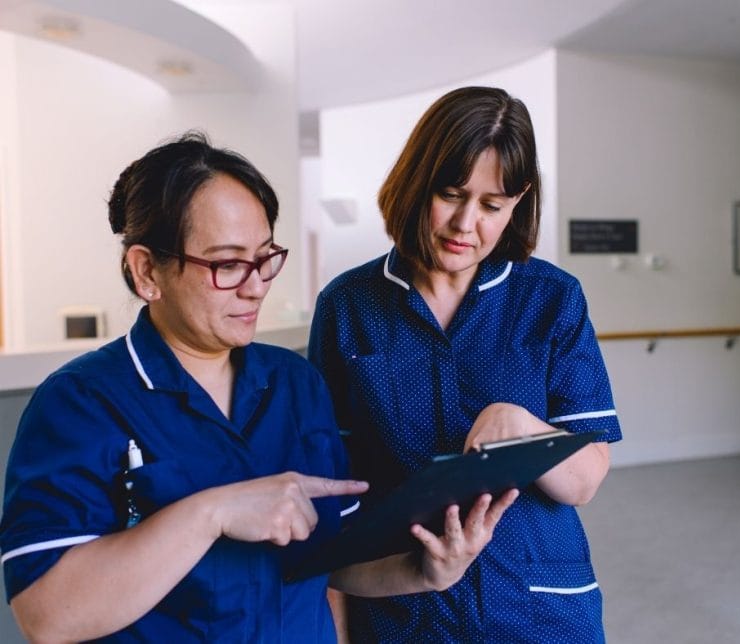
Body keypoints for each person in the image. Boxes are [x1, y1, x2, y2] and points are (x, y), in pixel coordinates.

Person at [0, 131, 518, 642]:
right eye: (227, 264)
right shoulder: (80, 402)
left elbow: (333, 564)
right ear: (146, 271)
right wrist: (211, 513)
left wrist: (425, 572)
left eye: (265, 258)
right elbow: (47, 615)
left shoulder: (296, 385)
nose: (255, 286)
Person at [308, 86, 622, 643]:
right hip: (404, 608)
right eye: (450, 194)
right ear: (415, 183)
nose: (465, 224)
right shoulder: (347, 306)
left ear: (518, 203)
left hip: (537, 607)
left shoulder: (552, 299)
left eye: (492, 206)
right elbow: (333, 491)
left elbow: (586, 479)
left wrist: (525, 429)